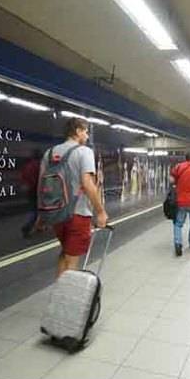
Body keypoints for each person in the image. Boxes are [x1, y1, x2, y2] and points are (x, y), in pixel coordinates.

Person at [46, 118, 108, 277]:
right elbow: (88, 184)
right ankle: (66, 299)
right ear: (78, 131)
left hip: (56, 214)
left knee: (66, 253)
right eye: (86, 132)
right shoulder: (84, 151)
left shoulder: (51, 152)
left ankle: (59, 294)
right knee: (72, 263)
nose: (87, 136)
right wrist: (100, 212)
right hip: (77, 214)